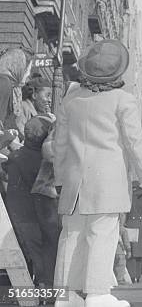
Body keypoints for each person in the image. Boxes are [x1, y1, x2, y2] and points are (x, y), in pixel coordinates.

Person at [53, 39, 142, 307]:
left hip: (74, 181)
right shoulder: (123, 101)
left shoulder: (72, 99)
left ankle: (66, 296)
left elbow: (60, 144)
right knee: (102, 235)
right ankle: (98, 295)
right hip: (107, 182)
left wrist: (60, 178)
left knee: (71, 236)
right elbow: (135, 142)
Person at [4, 115, 59, 291]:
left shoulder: (16, 156)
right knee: (45, 251)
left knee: (31, 252)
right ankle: (46, 287)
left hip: (17, 214)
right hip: (36, 215)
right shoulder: (43, 160)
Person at [0, 47, 33, 130]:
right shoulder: (4, 83)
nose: (28, 75)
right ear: (18, 68)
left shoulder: (14, 89)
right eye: (27, 70)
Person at [125, 181, 142, 283]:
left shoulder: (129, 198)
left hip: (130, 224)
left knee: (131, 253)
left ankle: (132, 275)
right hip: (141, 226)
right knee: (139, 254)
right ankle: (138, 275)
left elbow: (125, 213)